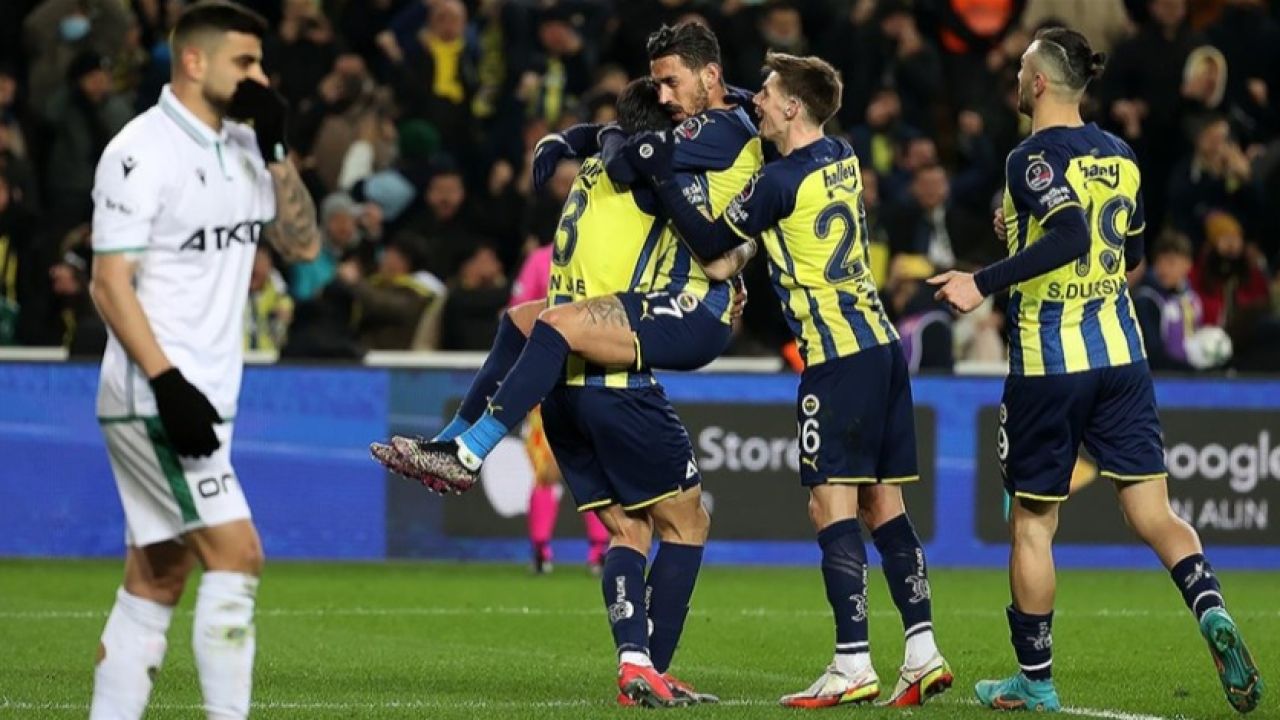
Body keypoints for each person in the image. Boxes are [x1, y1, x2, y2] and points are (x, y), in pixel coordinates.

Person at [374, 74, 750, 708]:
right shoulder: (648, 173)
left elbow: (520, 322)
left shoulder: (595, 169)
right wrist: (733, 271)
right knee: (687, 523)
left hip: (560, 389)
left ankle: (634, 665)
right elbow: (708, 241)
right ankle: (655, 665)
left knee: (627, 531)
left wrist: (573, 135)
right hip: (616, 380)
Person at [928, 27, 1262, 714]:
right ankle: (1210, 609)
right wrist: (1021, 233)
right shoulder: (1120, 155)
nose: (1016, 79)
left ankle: (1035, 679)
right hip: (1123, 357)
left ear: (1040, 82)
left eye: (1022, 68)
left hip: (1051, 364)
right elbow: (1126, 255)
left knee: (1032, 524)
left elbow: (1071, 234)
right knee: (1154, 512)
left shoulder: (1030, 157)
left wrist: (980, 281)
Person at [623, 50, 952, 709]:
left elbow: (712, 249)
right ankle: (922, 652)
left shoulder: (775, 182)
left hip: (835, 357)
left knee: (829, 506)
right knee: (883, 503)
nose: (758, 102)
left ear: (794, 106)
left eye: (769, 94)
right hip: (882, 347)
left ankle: (852, 662)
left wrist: (664, 180)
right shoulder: (841, 155)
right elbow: (752, 242)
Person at [86, 3, 320, 719]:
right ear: (194, 61)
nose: (259, 77)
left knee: (158, 575)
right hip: (156, 392)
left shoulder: (245, 146)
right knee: (238, 554)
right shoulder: (140, 151)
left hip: (209, 392)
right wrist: (165, 382)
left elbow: (303, 244)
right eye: (244, 62)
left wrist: (276, 150)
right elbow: (108, 283)